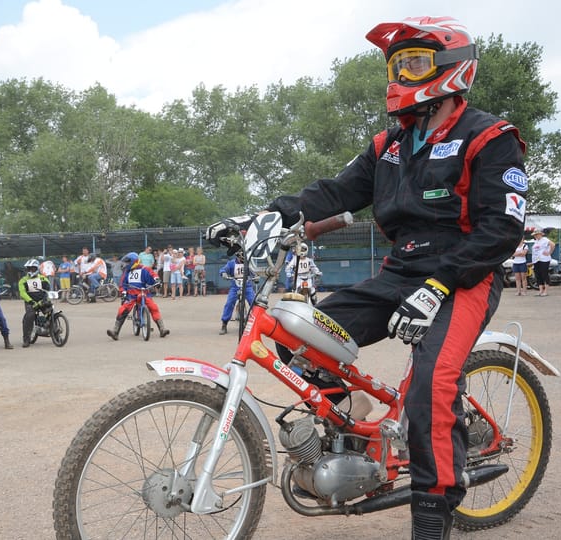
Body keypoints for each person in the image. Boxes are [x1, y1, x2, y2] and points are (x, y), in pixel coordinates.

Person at [207, 16, 526, 538]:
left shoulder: (489, 137)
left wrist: (440, 284)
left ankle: (432, 513)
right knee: (301, 336)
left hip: (465, 276)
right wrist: (263, 216)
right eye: (396, 64)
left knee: (431, 384)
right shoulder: (390, 145)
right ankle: (352, 442)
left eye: (415, 62)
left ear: (452, 69)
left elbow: (500, 231)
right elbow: (332, 193)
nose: (401, 75)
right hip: (402, 270)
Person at [106, 252, 170, 339]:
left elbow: (153, 275)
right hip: (131, 295)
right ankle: (115, 331)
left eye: (128, 262)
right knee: (122, 309)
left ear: (133, 262)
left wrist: (157, 281)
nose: (126, 264)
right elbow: (122, 284)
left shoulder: (144, 269)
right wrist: (124, 292)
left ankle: (162, 329)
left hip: (144, 293)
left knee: (153, 307)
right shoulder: (127, 272)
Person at [217, 251, 255, 335]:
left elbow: (254, 273)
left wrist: (255, 277)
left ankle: (258, 323)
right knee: (229, 303)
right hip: (235, 286)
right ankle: (224, 324)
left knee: (254, 302)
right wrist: (223, 273)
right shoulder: (231, 263)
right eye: (241, 258)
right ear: (237, 256)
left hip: (247, 286)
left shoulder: (249, 263)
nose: (242, 260)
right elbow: (223, 269)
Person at [18, 258, 52, 348]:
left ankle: (55, 332)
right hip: (30, 302)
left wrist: (46, 298)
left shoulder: (43, 278)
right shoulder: (23, 280)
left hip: (42, 300)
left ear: (37, 269)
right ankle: (26, 339)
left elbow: (48, 289)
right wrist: (31, 301)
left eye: (33, 268)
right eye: (29, 269)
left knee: (51, 311)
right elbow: (22, 293)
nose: (30, 270)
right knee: (29, 316)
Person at [531, 228, 554, 297]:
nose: (535, 236)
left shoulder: (545, 240)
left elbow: (553, 244)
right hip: (536, 260)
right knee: (538, 275)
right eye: (534, 235)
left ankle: (546, 291)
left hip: (544, 259)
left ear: (540, 234)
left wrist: (549, 252)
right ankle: (540, 290)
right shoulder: (536, 241)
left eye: (536, 234)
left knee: (544, 274)